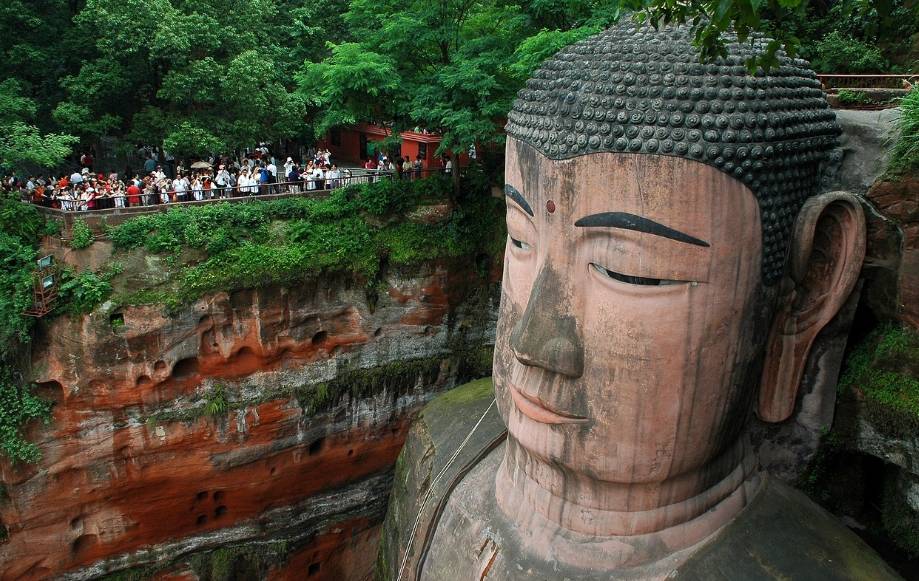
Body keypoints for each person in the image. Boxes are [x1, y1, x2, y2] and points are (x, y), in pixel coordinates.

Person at [379, 22, 898, 581]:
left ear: (808, 290)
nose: (533, 344)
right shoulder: (441, 448)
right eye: (520, 238)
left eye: (630, 272)